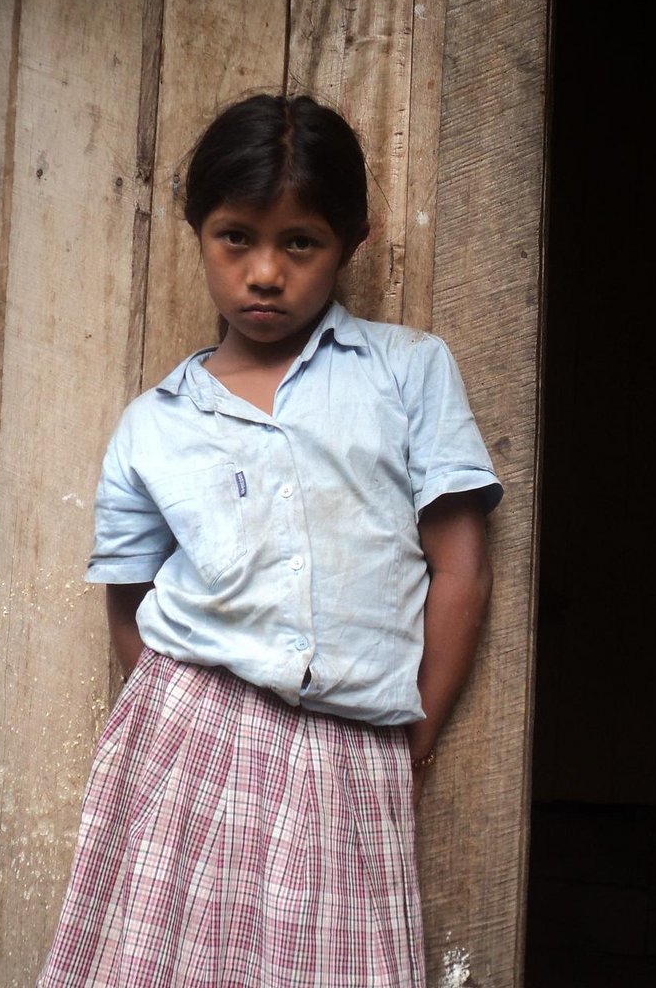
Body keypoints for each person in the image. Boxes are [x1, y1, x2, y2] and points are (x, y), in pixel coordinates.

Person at [37, 93, 501, 988]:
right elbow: (128, 602)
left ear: (352, 244)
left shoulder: (407, 372)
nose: (264, 272)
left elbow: (461, 570)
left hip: (351, 742)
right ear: (197, 233)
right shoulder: (156, 425)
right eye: (235, 236)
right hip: (187, 734)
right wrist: (176, 731)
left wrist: (416, 737)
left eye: (300, 243)